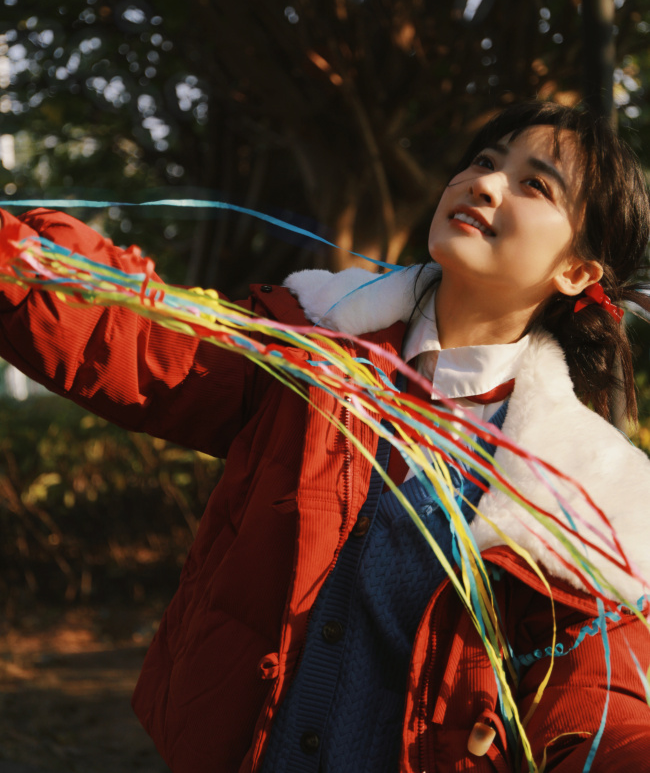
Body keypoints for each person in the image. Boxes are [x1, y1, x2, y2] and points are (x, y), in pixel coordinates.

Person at [0, 100, 650, 773]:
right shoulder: (306, 349)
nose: (484, 183)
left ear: (577, 272)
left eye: (535, 184)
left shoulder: (587, 494)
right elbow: (130, 335)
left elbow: (604, 710)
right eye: (485, 161)